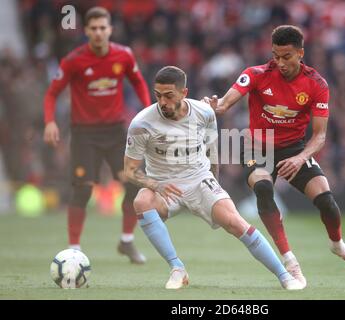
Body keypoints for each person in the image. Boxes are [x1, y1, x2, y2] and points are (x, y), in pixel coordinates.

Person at [203, 25, 345, 287]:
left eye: (286, 56)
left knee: (326, 200)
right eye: (275, 56)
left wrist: (301, 157)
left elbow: (320, 136)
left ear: (301, 53)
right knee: (263, 187)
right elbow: (224, 103)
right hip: (257, 145)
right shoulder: (256, 74)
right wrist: (215, 107)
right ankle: (290, 262)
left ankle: (338, 246)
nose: (279, 62)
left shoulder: (316, 84)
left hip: (294, 148)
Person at [124, 66, 304, 290]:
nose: (162, 102)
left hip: (199, 180)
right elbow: (130, 170)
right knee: (141, 202)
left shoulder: (204, 112)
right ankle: (177, 268)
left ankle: (284, 276)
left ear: (184, 92)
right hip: (164, 186)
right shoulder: (141, 123)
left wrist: (215, 184)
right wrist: (154, 184)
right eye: (158, 95)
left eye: (169, 95)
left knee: (236, 223)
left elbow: (212, 150)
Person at [43, 7, 151, 264]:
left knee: (133, 185)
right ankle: (74, 250)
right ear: (87, 31)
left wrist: (147, 112)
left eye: (103, 27)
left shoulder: (123, 55)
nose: (99, 32)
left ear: (110, 30)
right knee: (82, 190)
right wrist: (49, 122)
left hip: (115, 133)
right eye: (94, 28)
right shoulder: (73, 60)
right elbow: (51, 93)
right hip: (84, 135)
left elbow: (138, 82)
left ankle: (126, 242)